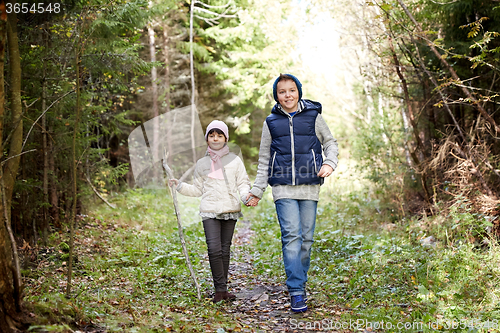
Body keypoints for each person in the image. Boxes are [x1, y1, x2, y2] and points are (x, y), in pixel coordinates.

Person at [246, 73, 338, 313]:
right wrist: (257, 189)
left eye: (291, 90)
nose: (287, 95)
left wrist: (329, 163)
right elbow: (264, 158)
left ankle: (300, 283)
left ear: (299, 91)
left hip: (310, 185)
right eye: (282, 92)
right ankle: (296, 291)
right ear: (276, 96)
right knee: (291, 237)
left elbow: (330, 143)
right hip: (282, 187)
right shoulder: (271, 122)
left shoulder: (313, 117)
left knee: (306, 240)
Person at [170, 120, 251, 303]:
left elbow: (243, 183)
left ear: (225, 138)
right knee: (214, 250)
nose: (215, 139)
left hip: (230, 209)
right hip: (209, 211)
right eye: (212, 135)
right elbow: (197, 189)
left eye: (219, 135)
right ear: (207, 138)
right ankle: (219, 289)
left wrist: (246, 196)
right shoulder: (202, 163)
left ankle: (223, 290)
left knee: (224, 249)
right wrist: (180, 186)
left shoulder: (235, 161)